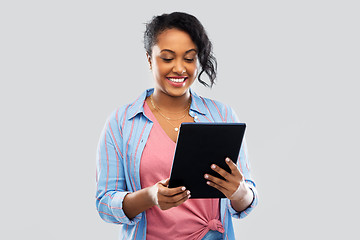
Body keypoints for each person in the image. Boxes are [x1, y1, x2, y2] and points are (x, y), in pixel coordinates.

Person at [96, 12, 258, 240]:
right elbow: (104, 203)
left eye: (189, 58)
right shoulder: (122, 122)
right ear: (149, 59)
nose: (180, 68)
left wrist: (239, 192)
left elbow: (246, 199)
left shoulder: (222, 114)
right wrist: (150, 196)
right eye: (168, 58)